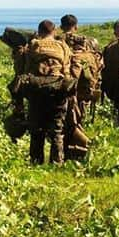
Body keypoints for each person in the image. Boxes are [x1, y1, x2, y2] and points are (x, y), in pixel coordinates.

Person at [21, 19, 75, 164]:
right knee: (57, 130)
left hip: (37, 90)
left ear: (39, 32)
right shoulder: (62, 46)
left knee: (36, 129)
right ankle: (56, 163)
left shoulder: (33, 45)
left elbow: (26, 69)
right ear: (54, 31)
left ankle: (35, 161)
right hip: (57, 89)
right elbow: (67, 70)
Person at [60, 14, 104, 123]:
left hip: (63, 85)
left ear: (61, 27)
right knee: (80, 116)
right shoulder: (88, 42)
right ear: (76, 27)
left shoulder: (57, 42)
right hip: (84, 86)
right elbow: (100, 64)